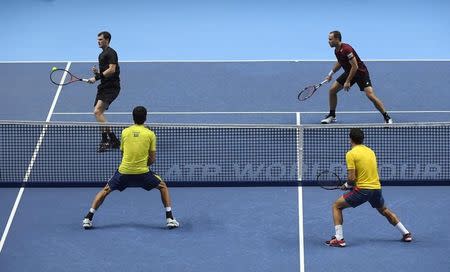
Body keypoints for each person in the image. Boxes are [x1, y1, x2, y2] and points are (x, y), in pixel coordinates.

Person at [82, 106, 180, 229]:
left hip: (124, 172)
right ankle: (170, 218)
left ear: (132, 118)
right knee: (163, 187)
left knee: (105, 190)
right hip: (143, 173)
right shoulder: (150, 134)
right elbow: (152, 159)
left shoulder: (124, 132)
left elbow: (123, 154)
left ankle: (88, 218)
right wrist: (142, 166)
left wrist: (131, 165)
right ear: (145, 118)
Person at [326, 128, 412, 247]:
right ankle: (406, 233)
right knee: (384, 210)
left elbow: (351, 178)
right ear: (362, 139)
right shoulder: (370, 151)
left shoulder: (351, 154)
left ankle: (339, 239)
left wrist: (346, 185)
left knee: (336, 206)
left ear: (350, 139)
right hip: (376, 188)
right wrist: (352, 184)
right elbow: (365, 173)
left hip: (363, 190)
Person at [321, 31, 393, 124]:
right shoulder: (336, 50)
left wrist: (347, 81)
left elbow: (355, 66)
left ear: (337, 39)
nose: (328, 41)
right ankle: (332, 115)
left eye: (330, 39)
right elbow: (340, 62)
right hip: (349, 72)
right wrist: (330, 74)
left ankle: (386, 117)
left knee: (370, 95)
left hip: (360, 73)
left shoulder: (347, 49)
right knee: (332, 91)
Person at [88, 31, 121, 152]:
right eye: (98, 39)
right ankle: (113, 140)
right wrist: (97, 73)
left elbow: (112, 70)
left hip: (112, 87)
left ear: (107, 40)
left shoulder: (111, 53)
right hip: (104, 86)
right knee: (98, 114)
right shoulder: (101, 54)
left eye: (100, 39)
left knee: (97, 112)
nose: (98, 41)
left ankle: (106, 141)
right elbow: (104, 74)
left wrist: (95, 78)